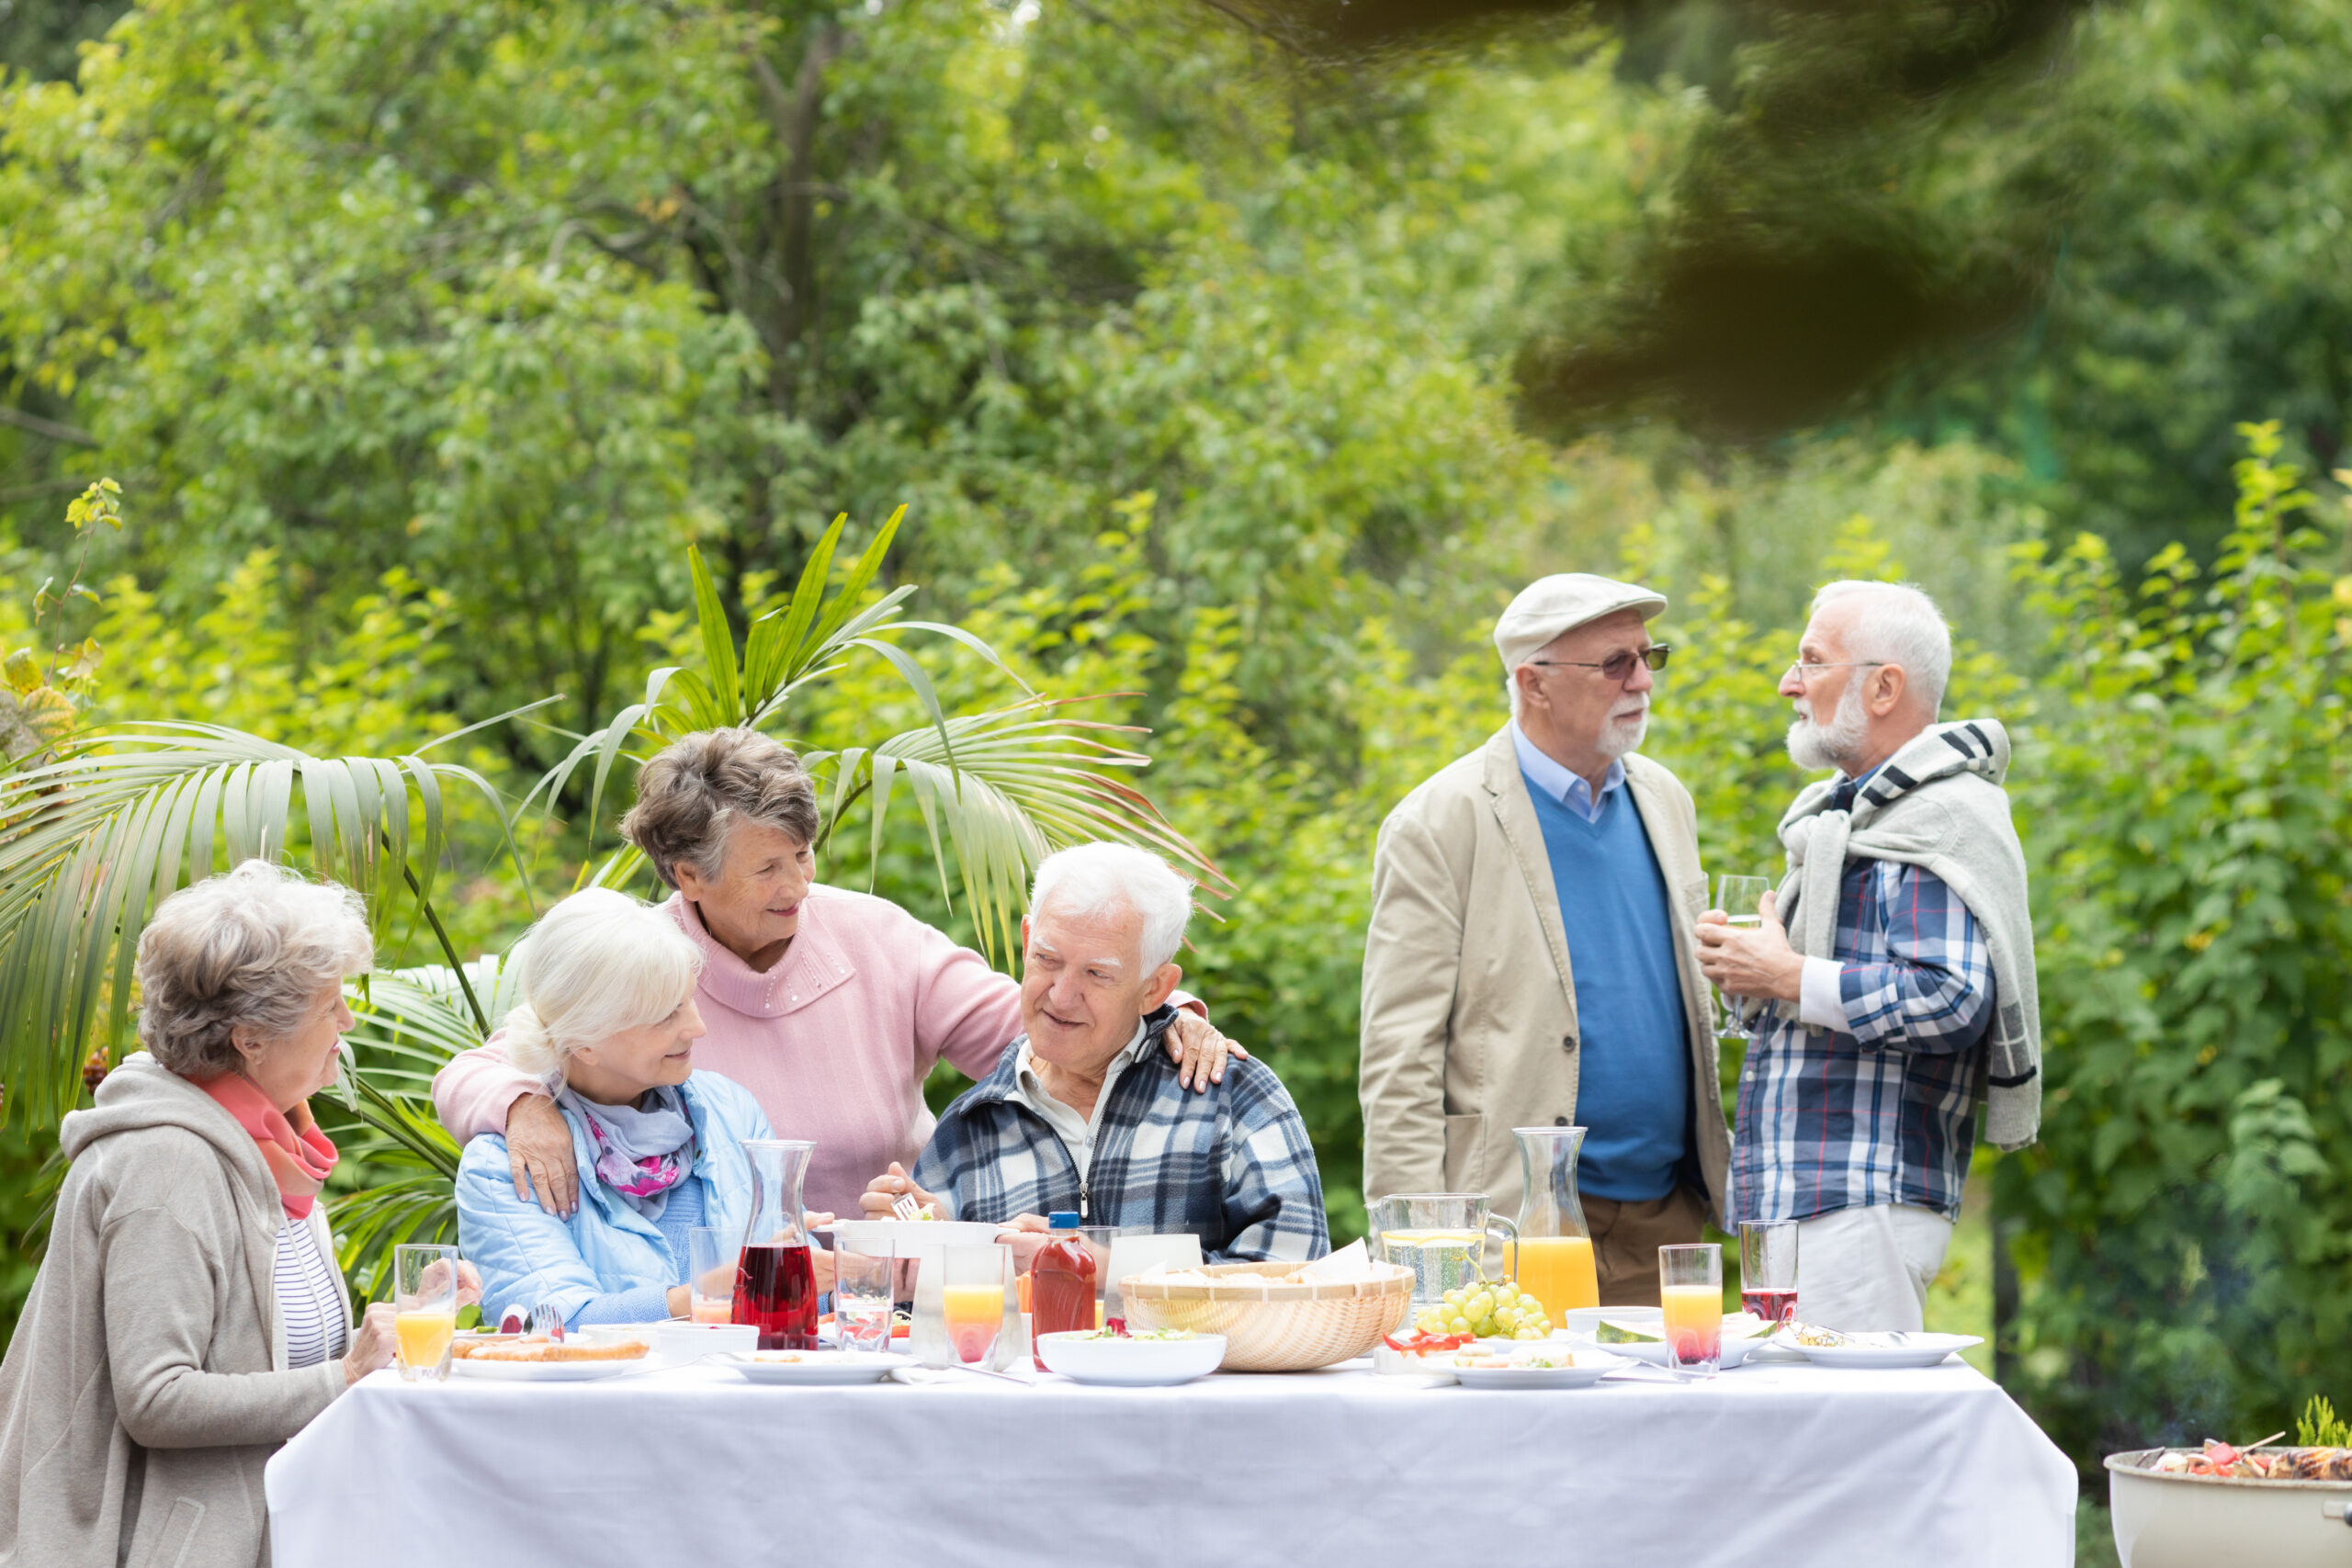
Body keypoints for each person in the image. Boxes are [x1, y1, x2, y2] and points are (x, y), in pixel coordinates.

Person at [433, 728, 1240, 1223]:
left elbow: (1049, 1028)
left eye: (803, 855)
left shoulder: (876, 935)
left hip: (893, 1288)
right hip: (717, 1304)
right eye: (766, 870)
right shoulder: (632, 961)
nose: (798, 887)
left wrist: (1164, 1017)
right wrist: (525, 1103)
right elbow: (470, 1073)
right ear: (687, 874)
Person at [0, 861, 476, 1568]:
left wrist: (397, 1328)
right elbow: (157, 1396)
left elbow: (262, 1355)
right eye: (329, 1006)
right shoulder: (168, 1163)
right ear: (251, 1036)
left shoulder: (271, 1149)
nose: (347, 1020)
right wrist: (345, 1376)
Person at [1358, 573, 1729, 1305]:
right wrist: (1417, 1257)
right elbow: (1399, 1059)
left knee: (1672, 1421)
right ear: (1534, 684)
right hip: (1517, 1225)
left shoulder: (1665, 799)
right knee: (1520, 1423)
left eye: (1650, 655)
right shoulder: (1437, 824)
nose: (1644, 679)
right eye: (1616, 663)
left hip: (1668, 1217)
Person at [1698, 580, 2040, 1331]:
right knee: (1800, 1444)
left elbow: (1952, 998)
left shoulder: (1938, 816)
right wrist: (1752, 968)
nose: (1789, 683)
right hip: (1804, 1198)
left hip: (1863, 1200)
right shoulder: (1846, 816)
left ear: (1884, 686)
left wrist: (1787, 974)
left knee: (1856, 1445)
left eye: (1811, 661)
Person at [863, 842, 1329, 1265]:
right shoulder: (969, 1129)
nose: (1061, 996)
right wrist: (931, 1248)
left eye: (1096, 974)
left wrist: (1107, 1273)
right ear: (1026, 942)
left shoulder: (1231, 1096)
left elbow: (1298, 1281)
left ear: (1155, 989)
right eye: (1047, 959)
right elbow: (924, 1324)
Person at [456, 887, 832, 1325]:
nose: (697, 1027)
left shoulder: (732, 1111)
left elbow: (794, 1297)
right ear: (585, 1042)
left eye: (689, 999)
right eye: (665, 1014)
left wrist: (866, 1277)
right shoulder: (503, 1166)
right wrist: (707, 1296)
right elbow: (550, 1326)